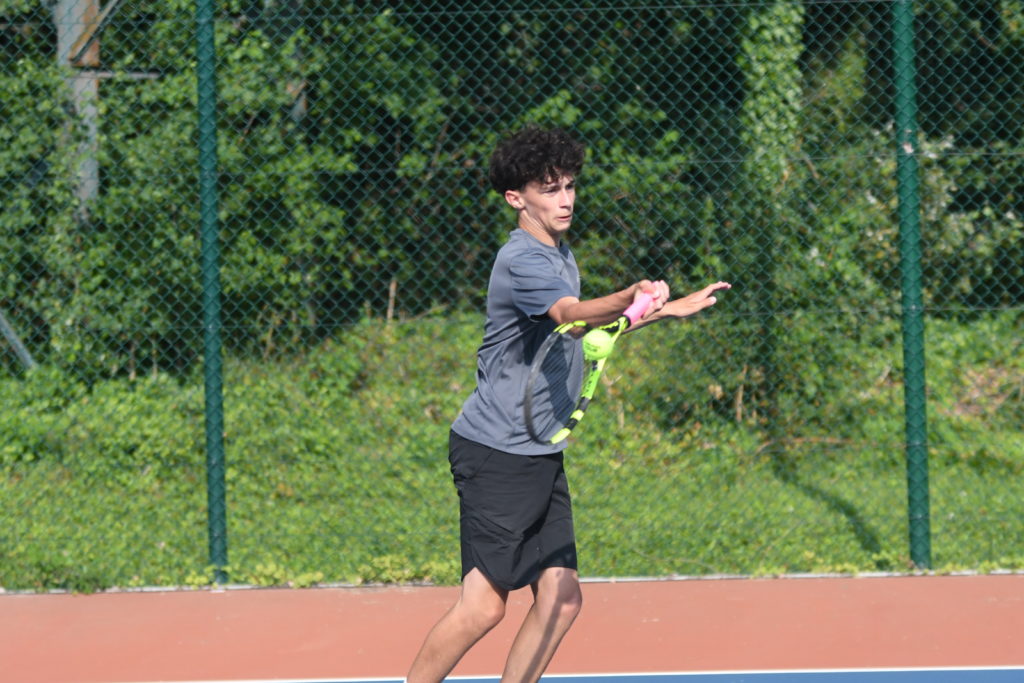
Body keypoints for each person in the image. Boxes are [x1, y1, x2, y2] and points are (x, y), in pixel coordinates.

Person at [406, 126, 730, 683]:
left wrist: (664, 309)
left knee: (561, 598)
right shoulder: (523, 260)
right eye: (550, 189)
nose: (566, 199)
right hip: (498, 453)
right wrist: (628, 295)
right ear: (516, 198)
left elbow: (578, 333)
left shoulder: (558, 251)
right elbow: (569, 316)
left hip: (537, 451)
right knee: (483, 607)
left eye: (570, 186)